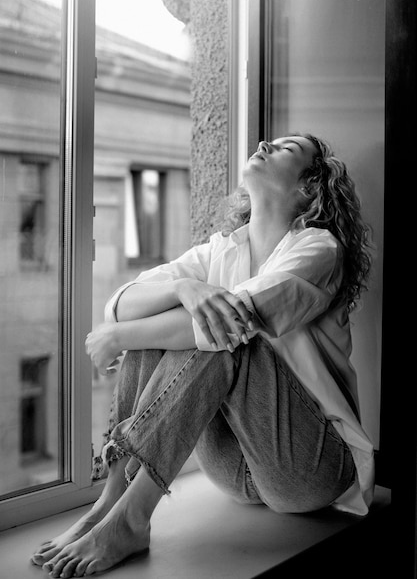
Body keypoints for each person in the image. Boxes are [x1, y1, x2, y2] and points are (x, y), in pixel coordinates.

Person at [32, 133, 375, 578]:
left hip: (310, 466)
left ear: (309, 188)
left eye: (287, 149)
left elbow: (232, 323)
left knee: (225, 332)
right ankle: (111, 500)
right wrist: (182, 288)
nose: (266, 143)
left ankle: (133, 520)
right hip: (233, 467)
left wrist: (116, 338)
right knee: (184, 314)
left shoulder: (318, 249)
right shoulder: (220, 249)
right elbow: (121, 301)